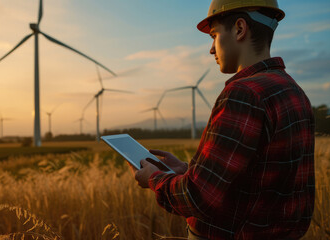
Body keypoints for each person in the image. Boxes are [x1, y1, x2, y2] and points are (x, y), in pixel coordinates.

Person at [132, 0, 315, 239]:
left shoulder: (244, 94)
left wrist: (154, 179)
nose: (211, 49)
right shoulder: (293, 90)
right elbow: (256, 181)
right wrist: (185, 171)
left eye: (214, 35)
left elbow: (197, 199)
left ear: (239, 29)